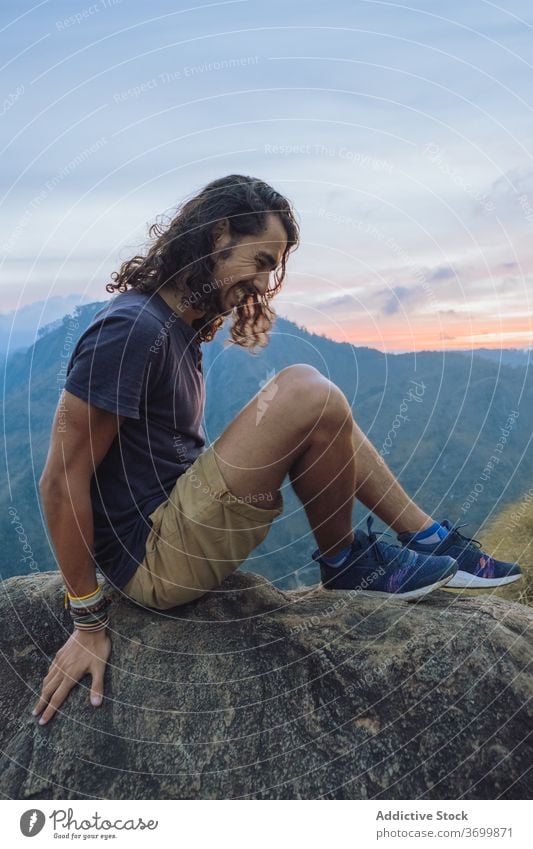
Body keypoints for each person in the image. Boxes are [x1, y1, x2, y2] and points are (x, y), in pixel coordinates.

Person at [33, 174, 521, 725]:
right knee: (306, 388)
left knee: (322, 408)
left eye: (274, 267)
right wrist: (88, 622)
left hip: (173, 532)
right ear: (218, 235)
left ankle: (426, 538)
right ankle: (346, 561)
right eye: (261, 260)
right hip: (152, 560)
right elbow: (59, 480)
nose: (265, 282)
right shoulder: (130, 329)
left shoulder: (178, 329)